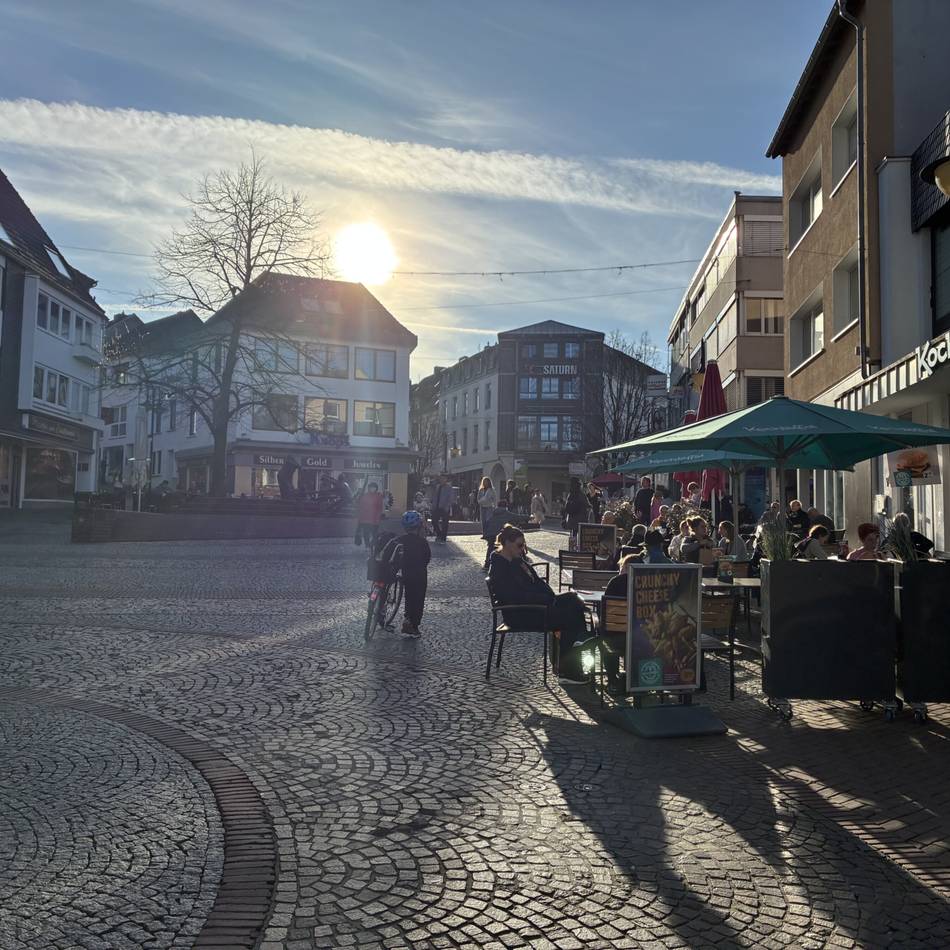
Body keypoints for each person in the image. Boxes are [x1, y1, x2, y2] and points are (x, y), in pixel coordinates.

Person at [488, 524, 590, 683]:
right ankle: (568, 670)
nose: (522, 549)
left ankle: (580, 641)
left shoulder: (516, 561)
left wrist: (524, 565)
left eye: (524, 545)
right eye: (519, 545)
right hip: (522, 613)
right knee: (570, 619)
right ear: (507, 543)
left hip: (537, 606)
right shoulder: (499, 567)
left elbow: (535, 581)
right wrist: (543, 598)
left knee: (573, 599)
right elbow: (512, 596)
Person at [394, 510, 431, 636]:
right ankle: (414, 625)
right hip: (419, 574)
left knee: (409, 597)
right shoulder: (422, 542)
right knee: (418, 599)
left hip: (406, 573)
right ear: (419, 526)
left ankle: (407, 618)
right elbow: (427, 558)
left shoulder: (400, 540)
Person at [561, 477, 590, 546]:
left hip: (572, 519)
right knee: (580, 535)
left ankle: (572, 548)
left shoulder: (570, 494)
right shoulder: (581, 494)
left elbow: (566, 507)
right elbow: (587, 505)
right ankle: (579, 549)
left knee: (573, 534)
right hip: (581, 519)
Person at [355, 481, 385, 548]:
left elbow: (380, 508)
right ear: (369, 488)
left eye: (374, 487)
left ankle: (372, 546)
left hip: (374, 519)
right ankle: (367, 546)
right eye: (371, 487)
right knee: (366, 534)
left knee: (374, 534)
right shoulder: (365, 496)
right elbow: (360, 506)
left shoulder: (378, 496)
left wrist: (378, 517)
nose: (372, 489)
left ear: (376, 488)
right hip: (365, 519)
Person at [432, 473, 454, 543]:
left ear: (446, 479)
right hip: (437, 507)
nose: (442, 480)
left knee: (445, 523)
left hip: (444, 507)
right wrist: (433, 505)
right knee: (434, 521)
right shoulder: (438, 486)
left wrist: (447, 507)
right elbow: (435, 496)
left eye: (443, 478)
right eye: (441, 478)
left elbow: (450, 498)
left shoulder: (449, 487)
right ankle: (439, 534)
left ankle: (443, 537)